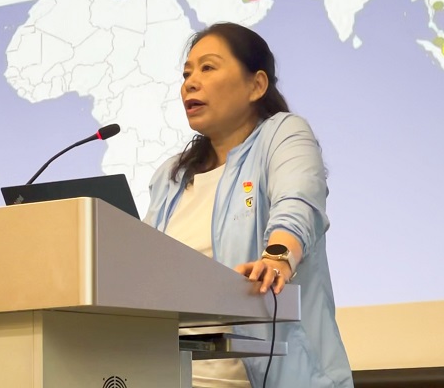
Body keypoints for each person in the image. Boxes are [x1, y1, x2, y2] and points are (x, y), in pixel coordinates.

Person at [144, 22, 353, 388]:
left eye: (208, 68)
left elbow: (298, 203)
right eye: (187, 73)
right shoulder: (171, 177)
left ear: (256, 85)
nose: (190, 83)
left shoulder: (282, 135)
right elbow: (141, 265)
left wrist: (277, 257)